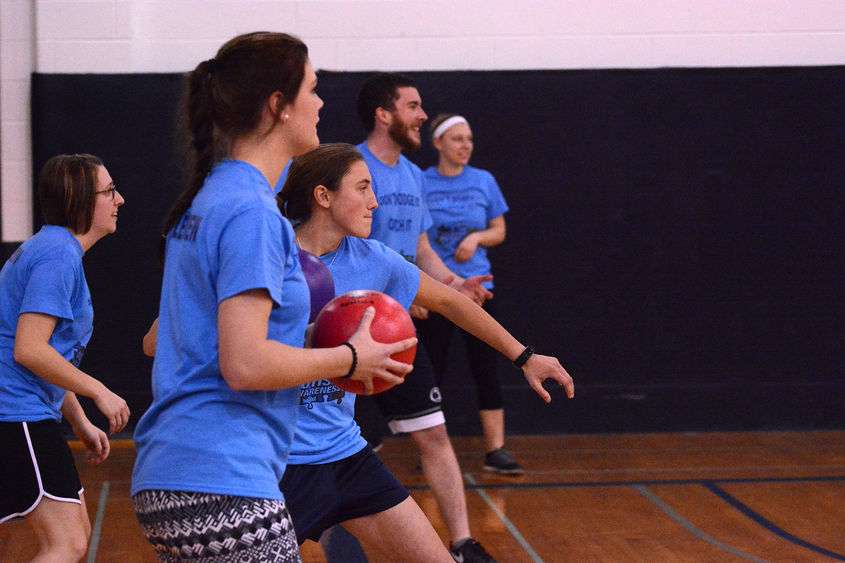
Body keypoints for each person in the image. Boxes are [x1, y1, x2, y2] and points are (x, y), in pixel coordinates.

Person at [130, 33, 414, 563]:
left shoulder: (213, 195)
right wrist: (352, 357)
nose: (322, 101)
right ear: (277, 106)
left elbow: (208, 340)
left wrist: (314, 335)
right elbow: (244, 365)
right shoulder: (251, 213)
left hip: (177, 475)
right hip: (221, 481)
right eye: (312, 87)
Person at [276, 143, 574, 562]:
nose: (374, 202)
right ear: (323, 197)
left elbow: (452, 303)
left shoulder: (373, 259)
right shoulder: (269, 256)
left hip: (344, 453)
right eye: (362, 188)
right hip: (277, 464)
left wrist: (525, 357)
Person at [354, 72, 499, 562]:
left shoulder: (414, 176)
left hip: (400, 331)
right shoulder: (352, 167)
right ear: (383, 114)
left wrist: (454, 286)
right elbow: (342, 250)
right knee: (348, 449)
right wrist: (395, 290)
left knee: (434, 433)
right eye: (412, 106)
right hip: (349, 333)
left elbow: (420, 249)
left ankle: (462, 543)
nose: (421, 115)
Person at [0, 153, 131, 562]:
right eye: (109, 191)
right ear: (78, 200)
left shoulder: (55, 250)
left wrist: (79, 421)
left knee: (60, 536)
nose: (120, 199)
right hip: (14, 411)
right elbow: (29, 349)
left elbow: (50, 356)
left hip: (28, 411)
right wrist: (99, 391)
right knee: (67, 542)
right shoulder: (57, 255)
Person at [420, 113, 521, 475]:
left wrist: (475, 238)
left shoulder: (483, 181)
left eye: (469, 139)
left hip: (480, 290)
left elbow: (499, 229)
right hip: (438, 291)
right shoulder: (421, 181)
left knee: (486, 369)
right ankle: (432, 450)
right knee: (434, 371)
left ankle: (496, 451)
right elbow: (416, 237)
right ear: (439, 144)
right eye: (457, 139)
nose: (465, 146)